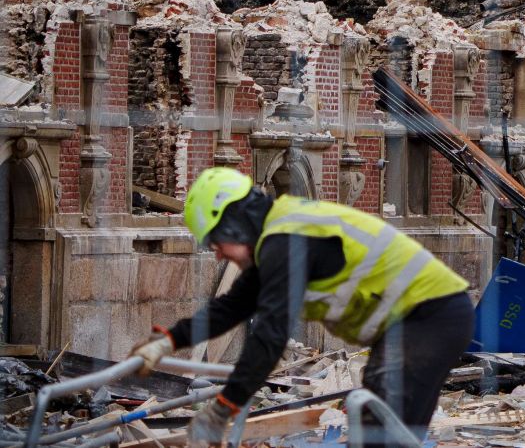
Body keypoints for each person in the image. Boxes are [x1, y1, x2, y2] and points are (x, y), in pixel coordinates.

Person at [131, 167, 475, 446]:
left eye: (216, 242)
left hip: (430, 319)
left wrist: (224, 407)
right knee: (383, 427)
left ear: (234, 221)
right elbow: (231, 306)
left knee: (379, 427)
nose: (219, 254)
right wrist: (168, 341)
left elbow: (269, 336)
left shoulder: (286, 241)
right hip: (427, 321)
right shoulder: (277, 237)